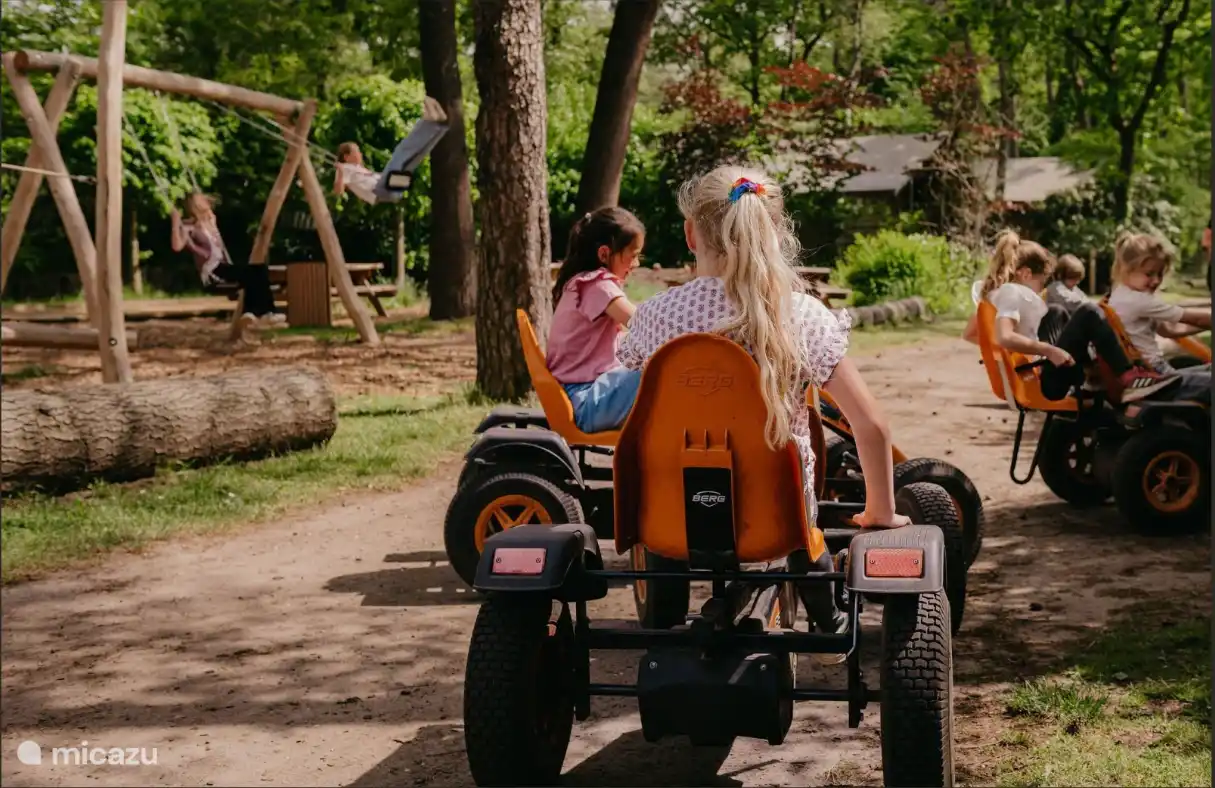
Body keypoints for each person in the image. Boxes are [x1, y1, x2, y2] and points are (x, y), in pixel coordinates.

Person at [616, 166, 910, 659]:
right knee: (798, 494)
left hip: (669, 517)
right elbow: (872, 425)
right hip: (778, 516)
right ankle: (826, 607)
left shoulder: (654, 315)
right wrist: (880, 511)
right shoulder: (803, 316)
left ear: (691, 234)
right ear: (775, 232)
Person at [961, 230, 1176, 403]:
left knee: (1056, 311)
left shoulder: (993, 296)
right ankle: (1129, 376)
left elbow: (970, 334)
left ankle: (1090, 372)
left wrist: (1008, 356)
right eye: (1041, 282)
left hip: (1034, 375)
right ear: (1025, 275)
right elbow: (1004, 337)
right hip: (1043, 382)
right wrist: (1047, 350)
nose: (1041, 289)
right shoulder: (1011, 293)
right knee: (1089, 313)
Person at [545, 207, 646, 434]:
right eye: (633, 255)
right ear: (604, 254)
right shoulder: (597, 286)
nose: (636, 264)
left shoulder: (584, 283)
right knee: (660, 368)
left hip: (582, 396)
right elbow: (642, 323)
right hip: (585, 401)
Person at [1107, 231, 1211, 402]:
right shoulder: (1139, 300)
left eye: (1160, 274)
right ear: (1126, 269)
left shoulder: (1121, 294)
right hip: (1156, 376)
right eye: (1149, 274)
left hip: (1156, 371)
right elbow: (1196, 318)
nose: (1156, 281)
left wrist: (1206, 325)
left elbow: (1169, 329)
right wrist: (1205, 322)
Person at [170, 192, 284, 329]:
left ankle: (257, 312)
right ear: (195, 206)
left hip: (223, 267)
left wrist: (210, 220)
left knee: (258, 270)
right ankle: (264, 312)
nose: (207, 202)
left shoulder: (211, 223)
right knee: (252, 273)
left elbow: (211, 220)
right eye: (202, 201)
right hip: (213, 272)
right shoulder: (189, 227)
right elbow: (177, 246)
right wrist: (175, 223)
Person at [333, 97, 449, 205]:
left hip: (392, 190)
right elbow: (339, 191)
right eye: (356, 152)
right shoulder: (345, 168)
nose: (360, 154)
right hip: (381, 190)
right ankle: (427, 121)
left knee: (415, 157)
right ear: (346, 157)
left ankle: (439, 127)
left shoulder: (357, 168)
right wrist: (340, 171)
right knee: (401, 152)